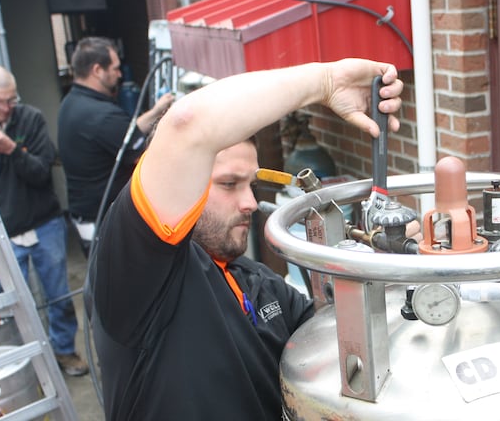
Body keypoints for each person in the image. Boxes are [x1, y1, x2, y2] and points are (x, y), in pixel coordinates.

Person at [87, 59, 403, 419]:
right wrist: (326, 82)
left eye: (250, 185)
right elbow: (187, 125)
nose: (251, 203)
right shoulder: (138, 276)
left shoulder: (255, 281)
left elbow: (334, 337)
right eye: (228, 184)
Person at [0, 65, 89, 376]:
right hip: (5, 230)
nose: (7, 108)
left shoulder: (30, 119)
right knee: (10, 302)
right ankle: (24, 361)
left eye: (11, 99)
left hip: (43, 221)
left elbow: (39, 171)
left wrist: (12, 149)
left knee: (58, 294)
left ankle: (63, 352)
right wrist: (0, 152)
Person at [57, 36, 174, 256]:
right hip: (105, 223)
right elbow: (146, 158)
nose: (120, 74)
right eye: (115, 68)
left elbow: (125, 134)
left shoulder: (72, 103)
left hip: (86, 217)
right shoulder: (101, 115)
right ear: (97, 70)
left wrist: (157, 110)